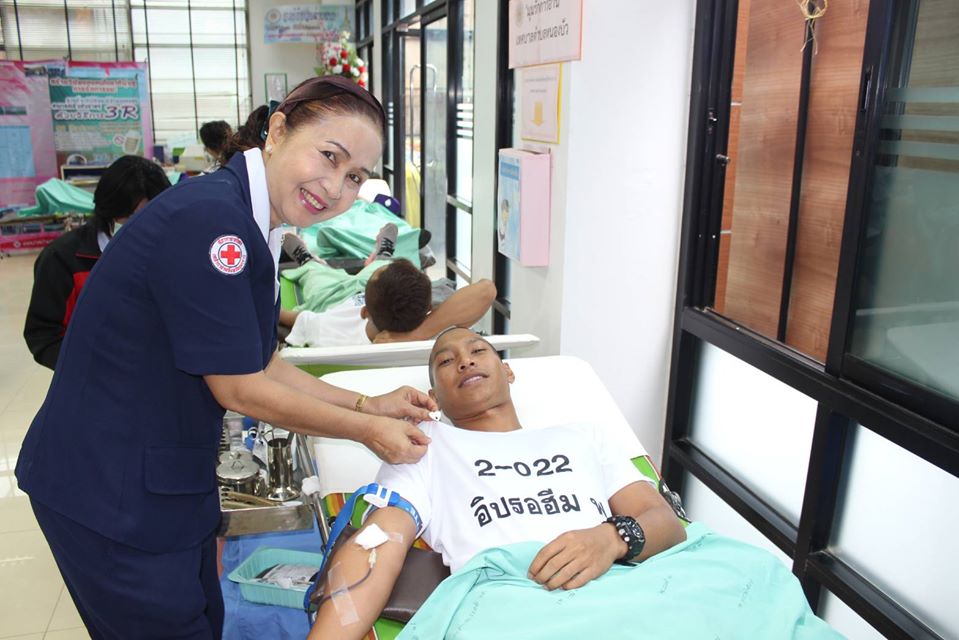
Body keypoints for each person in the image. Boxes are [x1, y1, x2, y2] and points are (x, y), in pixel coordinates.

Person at [16, 76, 437, 639]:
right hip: (111, 492)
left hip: (158, 479)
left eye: (356, 176)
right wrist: (366, 430)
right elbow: (239, 387)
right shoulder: (214, 223)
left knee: (205, 620)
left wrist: (370, 403)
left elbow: (261, 360)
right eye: (330, 156)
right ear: (278, 130)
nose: (336, 187)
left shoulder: (254, 222)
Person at [308, 327, 687, 639]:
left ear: (507, 372)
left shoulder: (584, 436)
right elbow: (376, 544)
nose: (465, 361)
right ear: (434, 397)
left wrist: (610, 539)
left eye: (477, 350)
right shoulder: (425, 446)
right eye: (446, 361)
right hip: (511, 615)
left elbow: (665, 521)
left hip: (622, 596)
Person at [23, 155, 172, 370]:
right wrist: (93, 369)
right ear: (108, 210)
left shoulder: (171, 251)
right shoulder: (62, 258)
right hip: (95, 378)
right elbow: (44, 335)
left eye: (152, 217)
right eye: (130, 218)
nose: (141, 226)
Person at [282, 256, 497, 347]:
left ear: (364, 312)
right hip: (378, 295)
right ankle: (382, 255)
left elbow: (298, 318)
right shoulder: (438, 333)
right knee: (379, 270)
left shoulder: (329, 330)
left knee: (316, 275)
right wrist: (419, 333)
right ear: (429, 307)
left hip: (337, 296)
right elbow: (487, 289)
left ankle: (308, 259)